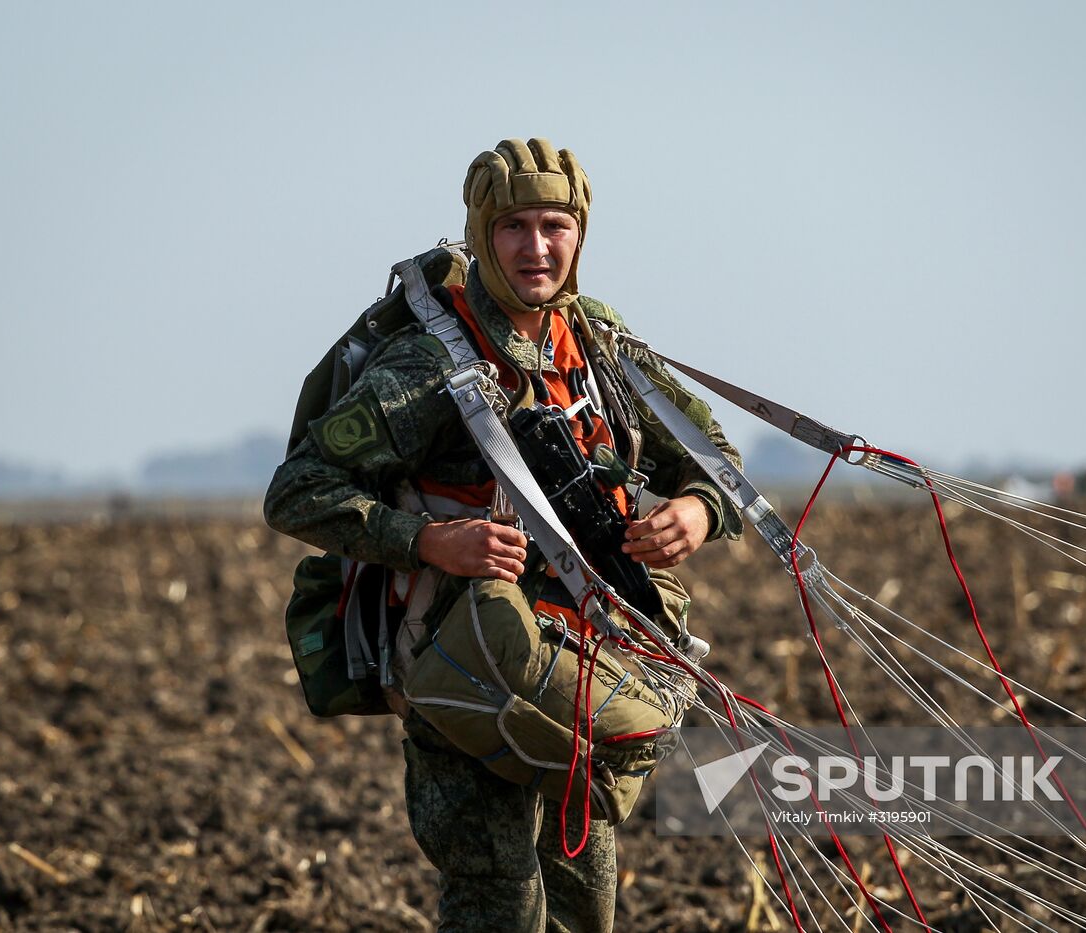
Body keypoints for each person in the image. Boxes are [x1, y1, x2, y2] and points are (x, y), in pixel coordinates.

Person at [264, 138, 743, 932]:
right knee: (498, 900)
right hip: (461, 659)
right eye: (514, 226)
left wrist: (696, 509)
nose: (537, 247)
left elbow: (713, 457)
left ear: (580, 234)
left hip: (586, 655)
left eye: (556, 225)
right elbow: (298, 491)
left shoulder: (597, 348)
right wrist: (427, 540)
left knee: (586, 892)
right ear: (483, 235)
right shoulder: (429, 365)